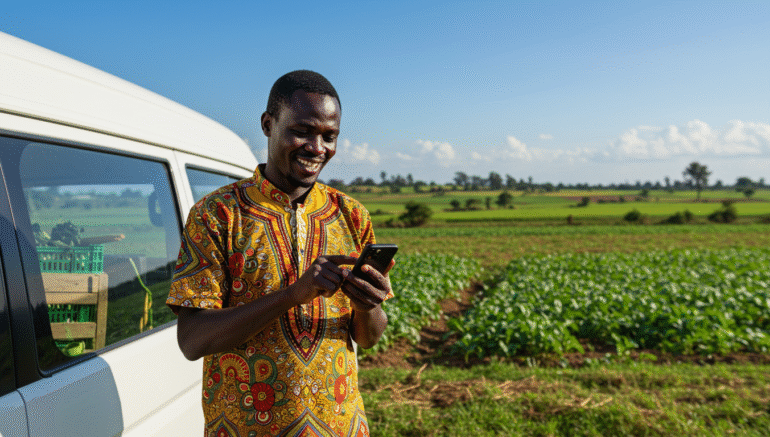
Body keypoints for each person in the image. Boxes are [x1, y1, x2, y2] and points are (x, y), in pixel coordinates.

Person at [166, 70, 393, 437]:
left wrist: (370, 306)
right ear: (268, 124)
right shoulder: (218, 215)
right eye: (302, 131)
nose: (317, 148)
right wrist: (292, 295)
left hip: (341, 427)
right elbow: (193, 341)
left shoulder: (351, 216)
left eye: (329, 136)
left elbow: (367, 338)